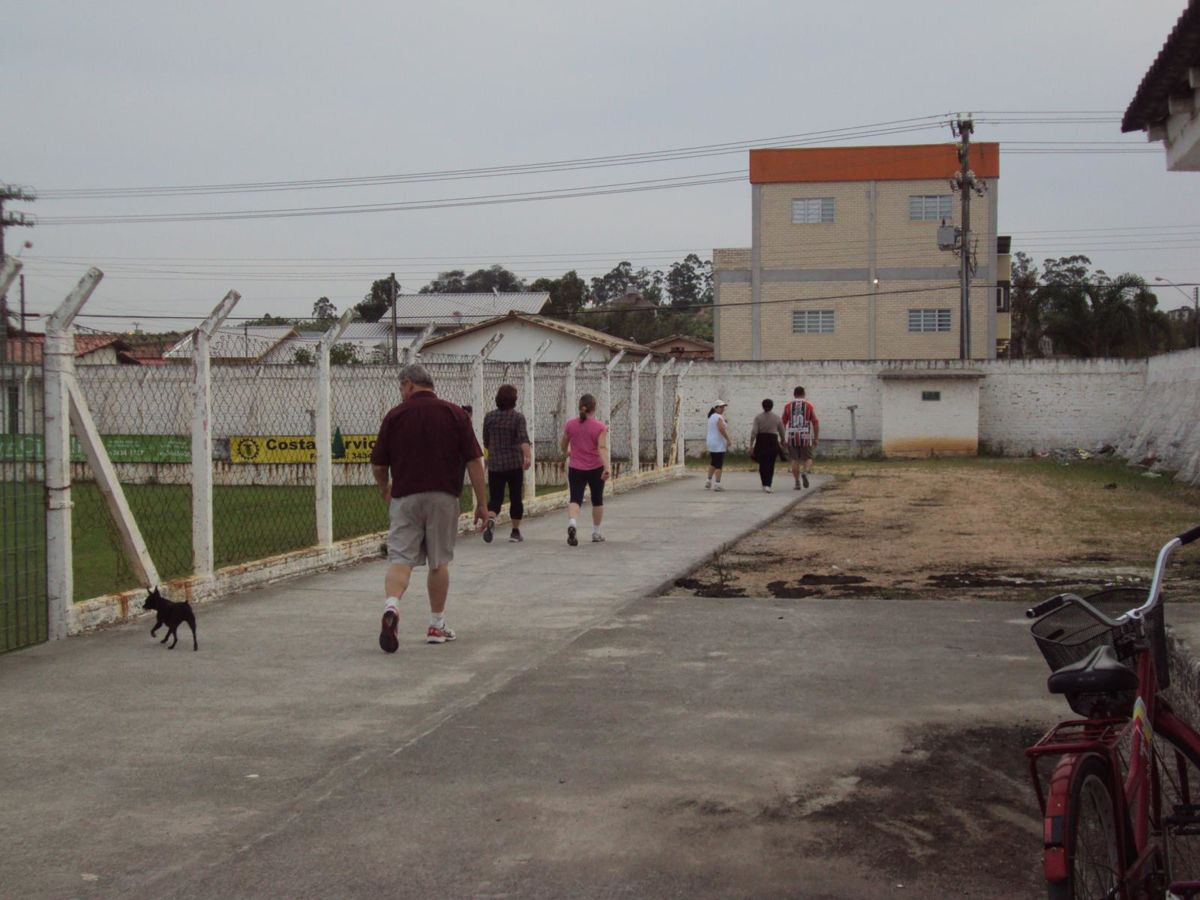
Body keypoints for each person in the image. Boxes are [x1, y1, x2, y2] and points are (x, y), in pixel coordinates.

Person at [371, 363, 488, 651]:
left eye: (401, 387)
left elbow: (378, 463)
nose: (401, 393)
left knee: (400, 558)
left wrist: (384, 486)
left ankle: (392, 606)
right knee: (438, 561)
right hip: (443, 496)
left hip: (405, 496)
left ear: (410, 384)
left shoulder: (395, 415)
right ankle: (436, 624)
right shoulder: (455, 413)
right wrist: (482, 503)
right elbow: (474, 461)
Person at [482, 384, 531, 543]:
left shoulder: (489, 417)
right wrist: (527, 456)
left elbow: (486, 441)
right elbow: (523, 439)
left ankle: (491, 519)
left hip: (495, 464)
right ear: (514, 400)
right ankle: (515, 532)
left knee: (495, 498)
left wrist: (491, 454)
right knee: (516, 497)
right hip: (514, 464)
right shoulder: (518, 418)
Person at [560, 393, 610, 545]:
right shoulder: (600, 427)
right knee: (597, 499)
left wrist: (566, 452)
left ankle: (573, 523)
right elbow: (601, 447)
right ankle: (596, 532)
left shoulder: (570, 424)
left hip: (576, 467)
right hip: (595, 467)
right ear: (594, 408)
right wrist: (607, 467)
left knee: (575, 498)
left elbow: (564, 443)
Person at [782, 385, 820, 490]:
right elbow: (815, 422)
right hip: (805, 436)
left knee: (794, 459)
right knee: (808, 458)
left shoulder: (788, 406)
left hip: (792, 436)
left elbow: (783, 423)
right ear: (804, 394)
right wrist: (816, 438)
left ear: (794, 395)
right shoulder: (809, 406)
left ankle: (797, 483)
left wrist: (782, 439)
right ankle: (805, 471)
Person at [749, 398, 787, 493]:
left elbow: (754, 432)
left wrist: (751, 445)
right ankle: (768, 484)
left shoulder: (758, 417)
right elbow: (782, 431)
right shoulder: (777, 418)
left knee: (762, 463)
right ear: (772, 406)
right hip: (772, 441)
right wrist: (782, 441)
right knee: (771, 464)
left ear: (762, 406)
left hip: (761, 441)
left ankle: (764, 483)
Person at [704, 400, 731, 491]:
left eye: (723, 407)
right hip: (718, 443)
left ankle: (708, 481)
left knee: (714, 462)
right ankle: (717, 484)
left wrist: (725, 422)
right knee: (719, 463)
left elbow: (719, 426)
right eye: (720, 407)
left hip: (711, 442)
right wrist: (728, 439)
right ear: (715, 408)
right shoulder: (719, 416)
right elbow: (721, 429)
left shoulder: (711, 417)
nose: (722, 408)